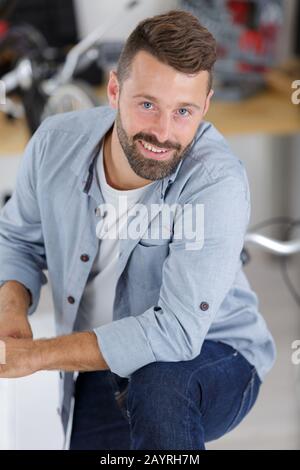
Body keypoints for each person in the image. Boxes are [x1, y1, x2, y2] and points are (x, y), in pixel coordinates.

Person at [0, 9, 276, 450]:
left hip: (216, 352)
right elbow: (16, 238)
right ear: (114, 90)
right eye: (147, 104)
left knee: (161, 382)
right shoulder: (54, 143)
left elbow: (177, 333)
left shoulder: (216, 182)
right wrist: (12, 311)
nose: (163, 133)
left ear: (204, 108)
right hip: (100, 358)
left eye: (183, 111)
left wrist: (34, 357)